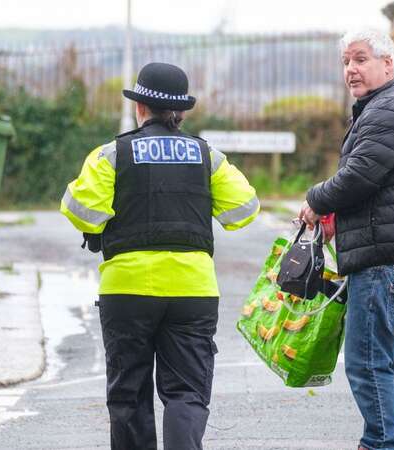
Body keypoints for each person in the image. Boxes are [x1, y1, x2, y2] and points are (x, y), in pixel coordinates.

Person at [60, 62, 259, 450]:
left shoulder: (112, 153)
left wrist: (104, 224)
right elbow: (244, 209)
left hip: (127, 290)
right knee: (186, 393)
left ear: (140, 108)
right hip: (193, 292)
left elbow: (79, 208)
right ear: (181, 113)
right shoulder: (207, 156)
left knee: (129, 395)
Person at [299, 30, 394, 450]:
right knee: (383, 363)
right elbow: (376, 186)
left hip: (387, 263)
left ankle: (380, 444)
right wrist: (335, 220)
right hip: (391, 257)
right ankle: (387, 444)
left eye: (360, 60)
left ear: (388, 63)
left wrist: (315, 201)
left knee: (366, 363)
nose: (350, 70)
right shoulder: (384, 106)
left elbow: (358, 177)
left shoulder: (389, 110)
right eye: (346, 62)